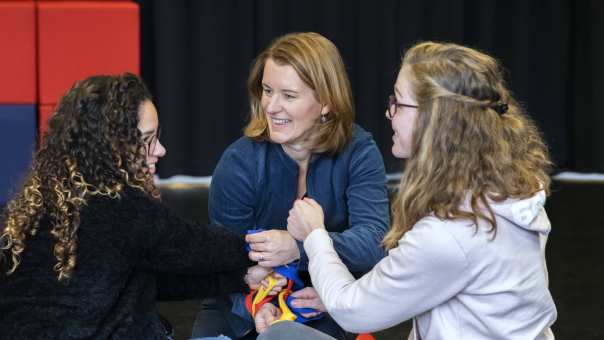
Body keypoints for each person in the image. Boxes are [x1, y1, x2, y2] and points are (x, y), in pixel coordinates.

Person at [261, 41, 557, 339]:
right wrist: (335, 294)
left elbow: (352, 311)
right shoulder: (507, 193)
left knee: (281, 336)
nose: (390, 113)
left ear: (435, 120)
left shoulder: (451, 233)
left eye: (399, 103)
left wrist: (314, 235)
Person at [0, 73, 252, 339]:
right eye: (146, 141)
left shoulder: (29, 209)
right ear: (109, 148)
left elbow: (143, 280)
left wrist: (242, 278)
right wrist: (272, 246)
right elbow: (208, 250)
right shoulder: (125, 211)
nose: (160, 150)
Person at [191, 32, 390, 340]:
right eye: (267, 91)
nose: (271, 107)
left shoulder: (359, 150)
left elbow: (374, 243)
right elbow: (221, 259)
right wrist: (257, 303)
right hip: (239, 307)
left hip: (327, 303)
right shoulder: (239, 161)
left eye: (289, 95)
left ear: (326, 102)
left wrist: (296, 249)